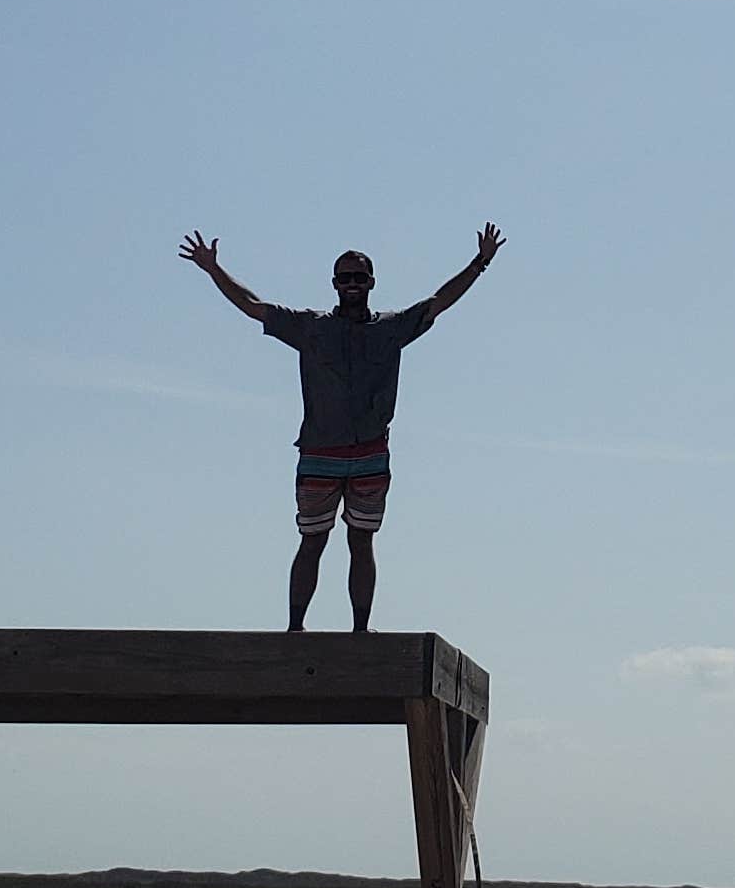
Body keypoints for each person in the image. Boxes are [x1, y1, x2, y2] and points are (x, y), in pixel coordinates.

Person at [181, 221, 504, 630]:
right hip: (320, 452)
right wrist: (213, 270)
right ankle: (296, 628)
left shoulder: (390, 328)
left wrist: (480, 263)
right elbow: (254, 306)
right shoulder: (312, 327)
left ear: (371, 282)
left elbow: (439, 301)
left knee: (361, 540)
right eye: (344, 277)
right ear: (334, 283)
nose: (351, 283)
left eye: (358, 276)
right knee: (312, 540)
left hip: (369, 452)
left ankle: (359, 629)